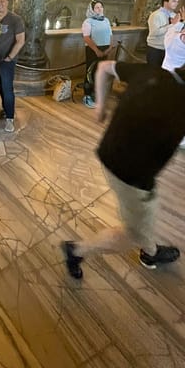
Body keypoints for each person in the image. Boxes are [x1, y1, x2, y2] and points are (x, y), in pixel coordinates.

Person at [62, 59, 185, 280]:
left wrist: (100, 107)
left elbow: (103, 68)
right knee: (133, 232)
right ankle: (77, 250)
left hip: (110, 151)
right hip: (131, 175)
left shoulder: (152, 72)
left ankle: (151, 251)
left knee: (147, 215)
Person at [0, 0, 25, 132]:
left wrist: (10, 58)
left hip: (7, 61)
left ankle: (10, 119)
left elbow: (20, 41)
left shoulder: (15, 19)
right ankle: (6, 110)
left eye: (2, 1)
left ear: (7, 3)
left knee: (7, 89)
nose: (0, 4)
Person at [81, 0, 114, 109]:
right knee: (91, 72)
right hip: (93, 49)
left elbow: (110, 34)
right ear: (92, 9)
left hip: (105, 49)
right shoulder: (88, 22)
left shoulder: (106, 20)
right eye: (97, 7)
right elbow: (86, 37)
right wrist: (96, 50)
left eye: (101, 7)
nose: (99, 9)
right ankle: (87, 95)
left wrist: (110, 47)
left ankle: (97, 94)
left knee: (102, 72)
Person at [146, 0, 181, 66]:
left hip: (169, 50)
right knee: (154, 72)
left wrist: (181, 22)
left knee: (164, 74)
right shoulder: (156, 15)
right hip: (155, 49)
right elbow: (155, 33)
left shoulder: (174, 15)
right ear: (165, 2)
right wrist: (172, 24)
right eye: (174, 1)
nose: (176, 3)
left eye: (177, 1)